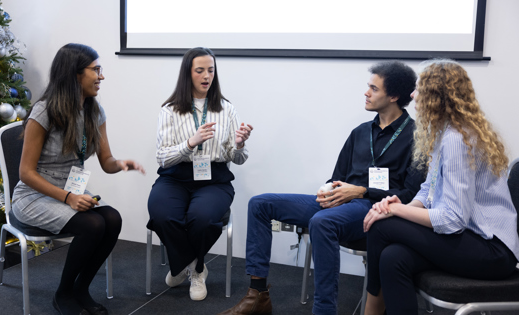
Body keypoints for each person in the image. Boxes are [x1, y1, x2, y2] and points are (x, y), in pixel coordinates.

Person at [219, 61, 424, 315]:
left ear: (393, 96)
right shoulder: (360, 133)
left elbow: (411, 194)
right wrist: (328, 190)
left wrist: (361, 191)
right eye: (368, 86)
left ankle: (324, 310)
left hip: (376, 208)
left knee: (322, 222)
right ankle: (258, 295)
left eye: (374, 88)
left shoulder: (416, 137)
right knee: (260, 204)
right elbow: (337, 177)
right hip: (342, 202)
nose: (366, 92)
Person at [363, 59, 519, 315]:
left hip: (491, 251)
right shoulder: (444, 132)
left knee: (382, 226)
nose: (412, 95)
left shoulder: (458, 139)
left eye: (419, 89)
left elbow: (453, 219)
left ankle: (371, 310)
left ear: (436, 96)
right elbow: (429, 190)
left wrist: (396, 212)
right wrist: (400, 205)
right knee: (393, 258)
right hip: (466, 238)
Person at [12, 43, 145, 315]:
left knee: (112, 219)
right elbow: (26, 173)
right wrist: (68, 197)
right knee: (92, 224)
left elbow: (106, 162)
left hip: (70, 194)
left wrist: (119, 164)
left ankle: (81, 288)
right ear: (75, 73)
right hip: (32, 196)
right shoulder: (44, 111)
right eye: (96, 70)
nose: (101, 76)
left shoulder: (94, 112)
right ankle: (63, 293)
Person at [147, 47, 253, 301]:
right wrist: (190, 143)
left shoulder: (226, 109)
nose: (207, 76)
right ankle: (195, 265)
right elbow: (162, 157)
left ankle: (188, 268)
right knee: (162, 214)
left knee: (202, 219)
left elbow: (237, 158)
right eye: (200, 71)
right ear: (188, 73)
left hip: (214, 180)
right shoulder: (170, 110)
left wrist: (239, 144)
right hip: (175, 177)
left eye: (211, 70)